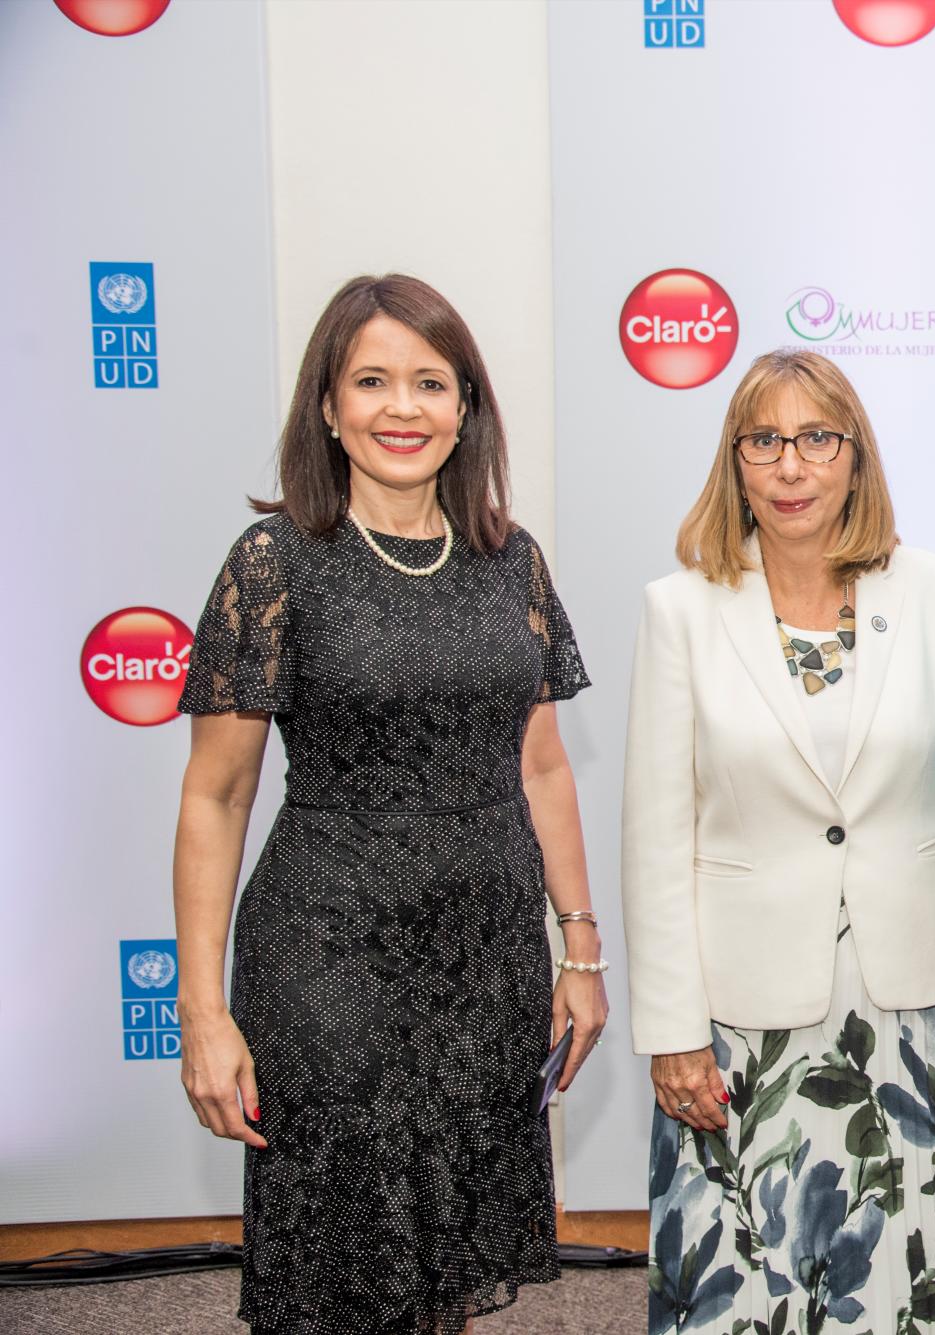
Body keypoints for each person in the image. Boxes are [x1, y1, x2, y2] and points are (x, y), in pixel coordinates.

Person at [173, 274, 607, 1334]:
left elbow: (542, 765)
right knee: (347, 1263)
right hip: (331, 953)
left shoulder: (512, 560)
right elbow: (216, 795)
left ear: (466, 407)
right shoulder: (276, 563)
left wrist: (580, 950)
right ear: (327, 405)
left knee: (446, 1261)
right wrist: (201, 1010)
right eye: (371, 380)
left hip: (487, 954)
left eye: (428, 382)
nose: (401, 407)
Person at [622, 349, 935, 1335]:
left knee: (925, 1268)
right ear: (736, 461)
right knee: (758, 1277)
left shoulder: (934, 592)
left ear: (854, 457)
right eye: (764, 441)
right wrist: (669, 1027)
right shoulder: (679, 610)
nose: (790, 466)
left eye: (815, 439)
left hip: (920, 1003)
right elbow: (656, 836)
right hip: (745, 1020)